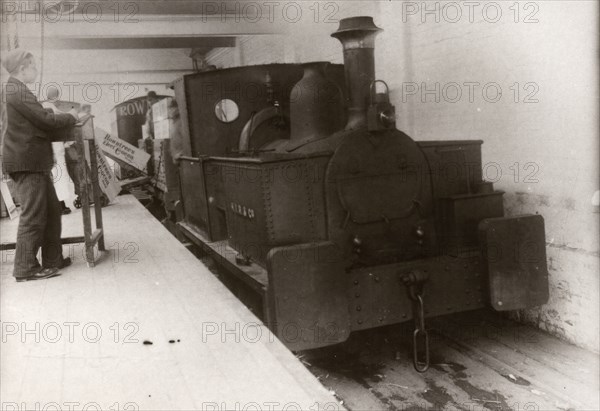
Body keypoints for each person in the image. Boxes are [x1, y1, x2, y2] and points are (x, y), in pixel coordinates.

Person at [1, 49, 78, 282]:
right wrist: (72, 116)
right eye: (33, 65)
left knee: (52, 211)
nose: (36, 69)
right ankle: (25, 268)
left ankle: (52, 259)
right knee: (33, 215)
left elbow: (36, 116)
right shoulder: (16, 89)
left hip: (32, 160)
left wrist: (51, 112)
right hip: (27, 162)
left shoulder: (17, 89)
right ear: (23, 68)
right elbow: (43, 120)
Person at [41, 85, 72, 214]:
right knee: (58, 178)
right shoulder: (49, 107)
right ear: (54, 96)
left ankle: (60, 204)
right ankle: (60, 205)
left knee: (58, 177)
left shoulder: (48, 106)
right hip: (54, 148)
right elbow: (60, 117)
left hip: (55, 148)